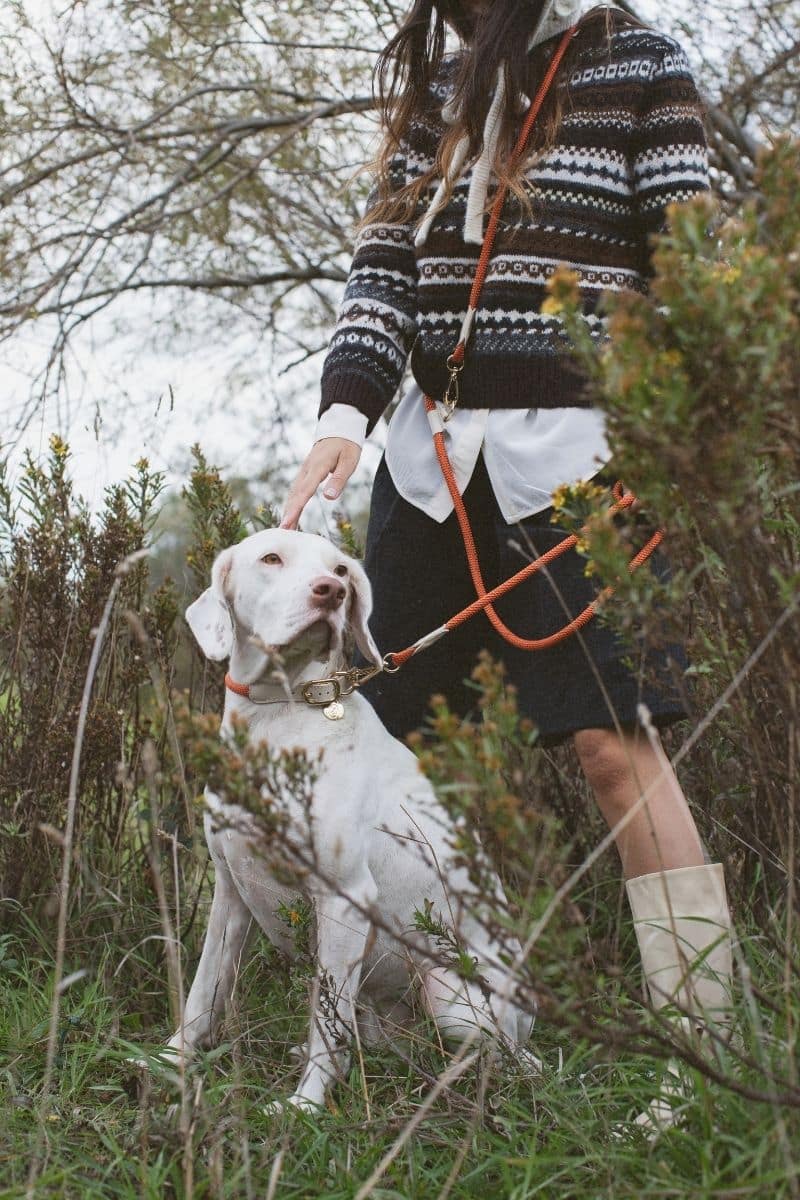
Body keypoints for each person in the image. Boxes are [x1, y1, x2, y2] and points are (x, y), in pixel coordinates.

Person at [282, 0, 733, 1129]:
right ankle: (399, 1024)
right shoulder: (433, 88)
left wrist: (678, 431)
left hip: (583, 468)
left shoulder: (639, 62)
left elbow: (691, 264)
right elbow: (383, 272)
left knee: (614, 746)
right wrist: (344, 413)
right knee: (388, 747)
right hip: (426, 470)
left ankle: (705, 1056)